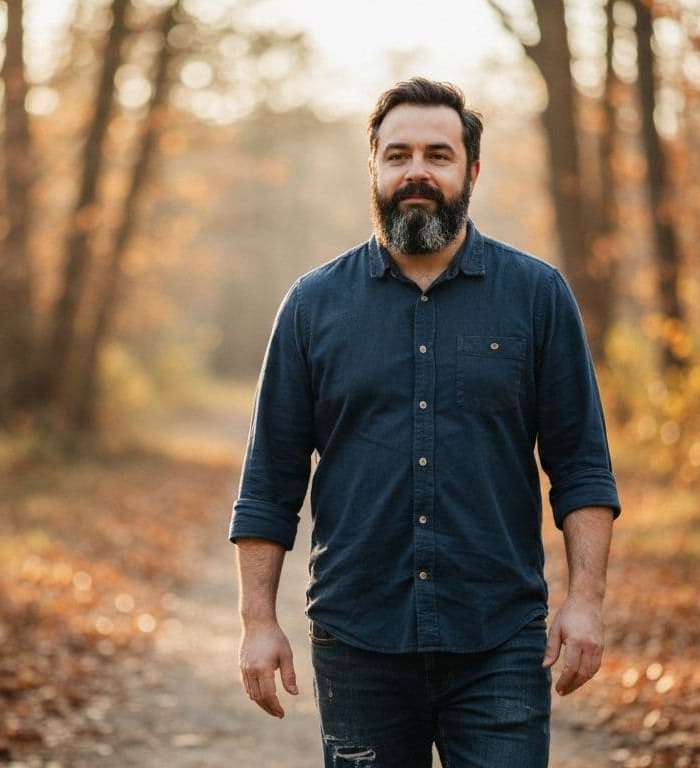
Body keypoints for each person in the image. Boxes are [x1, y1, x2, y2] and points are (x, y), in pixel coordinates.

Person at [229, 77, 621, 767]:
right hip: (358, 641)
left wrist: (585, 601)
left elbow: (582, 467)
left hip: (500, 636)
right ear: (373, 168)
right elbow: (270, 482)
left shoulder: (537, 297)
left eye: (438, 155)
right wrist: (257, 621)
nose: (417, 171)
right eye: (398, 154)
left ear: (471, 169)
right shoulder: (312, 306)